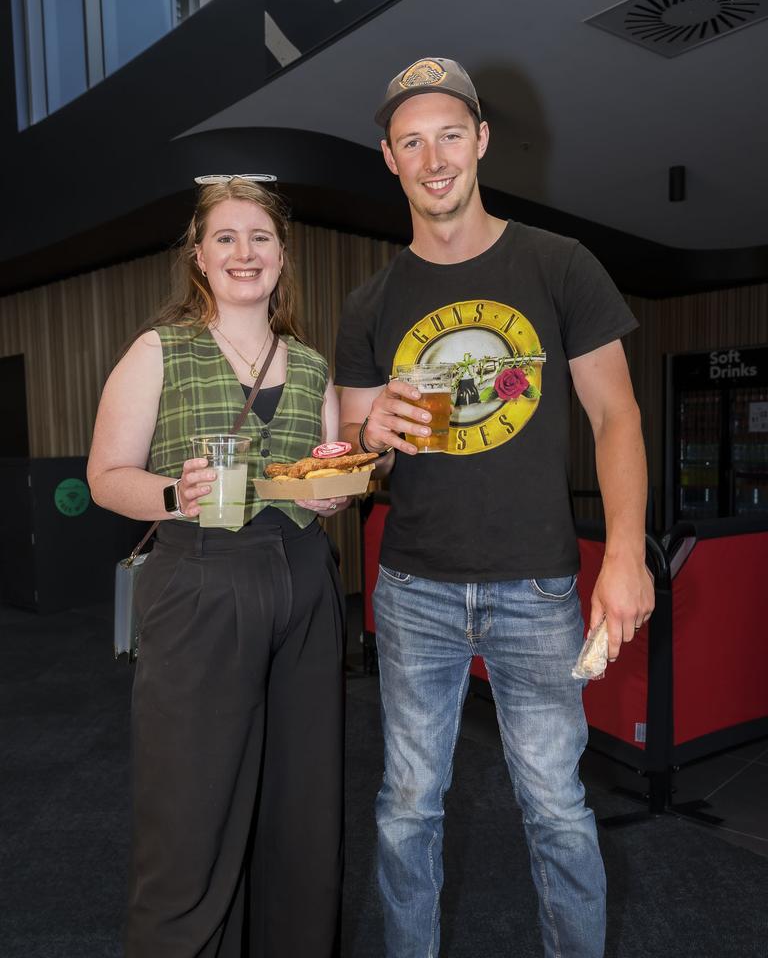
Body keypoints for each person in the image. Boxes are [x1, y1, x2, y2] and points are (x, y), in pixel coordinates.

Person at [335, 58, 655, 958]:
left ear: (479, 142)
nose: (432, 158)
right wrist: (373, 435)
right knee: (406, 807)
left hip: (539, 589)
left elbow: (616, 414)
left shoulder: (558, 264)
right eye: (411, 142)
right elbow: (352, 454)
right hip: (412, 591)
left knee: (555, 804)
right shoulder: (370, 302)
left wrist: (626, 555)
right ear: (389, 160)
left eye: (448, 135)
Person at [88, 176, 347, 958]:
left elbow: (325, 469)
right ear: (198, 255)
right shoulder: (157, 350)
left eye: (260, 237)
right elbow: (106, 477)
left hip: (304, 584)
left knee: (304, 812)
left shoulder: (310, 365)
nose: (245, 252)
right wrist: (173, 492)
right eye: (226, 237)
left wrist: (334, 489)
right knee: (190, 812)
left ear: (282, 254)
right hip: (199, 581)